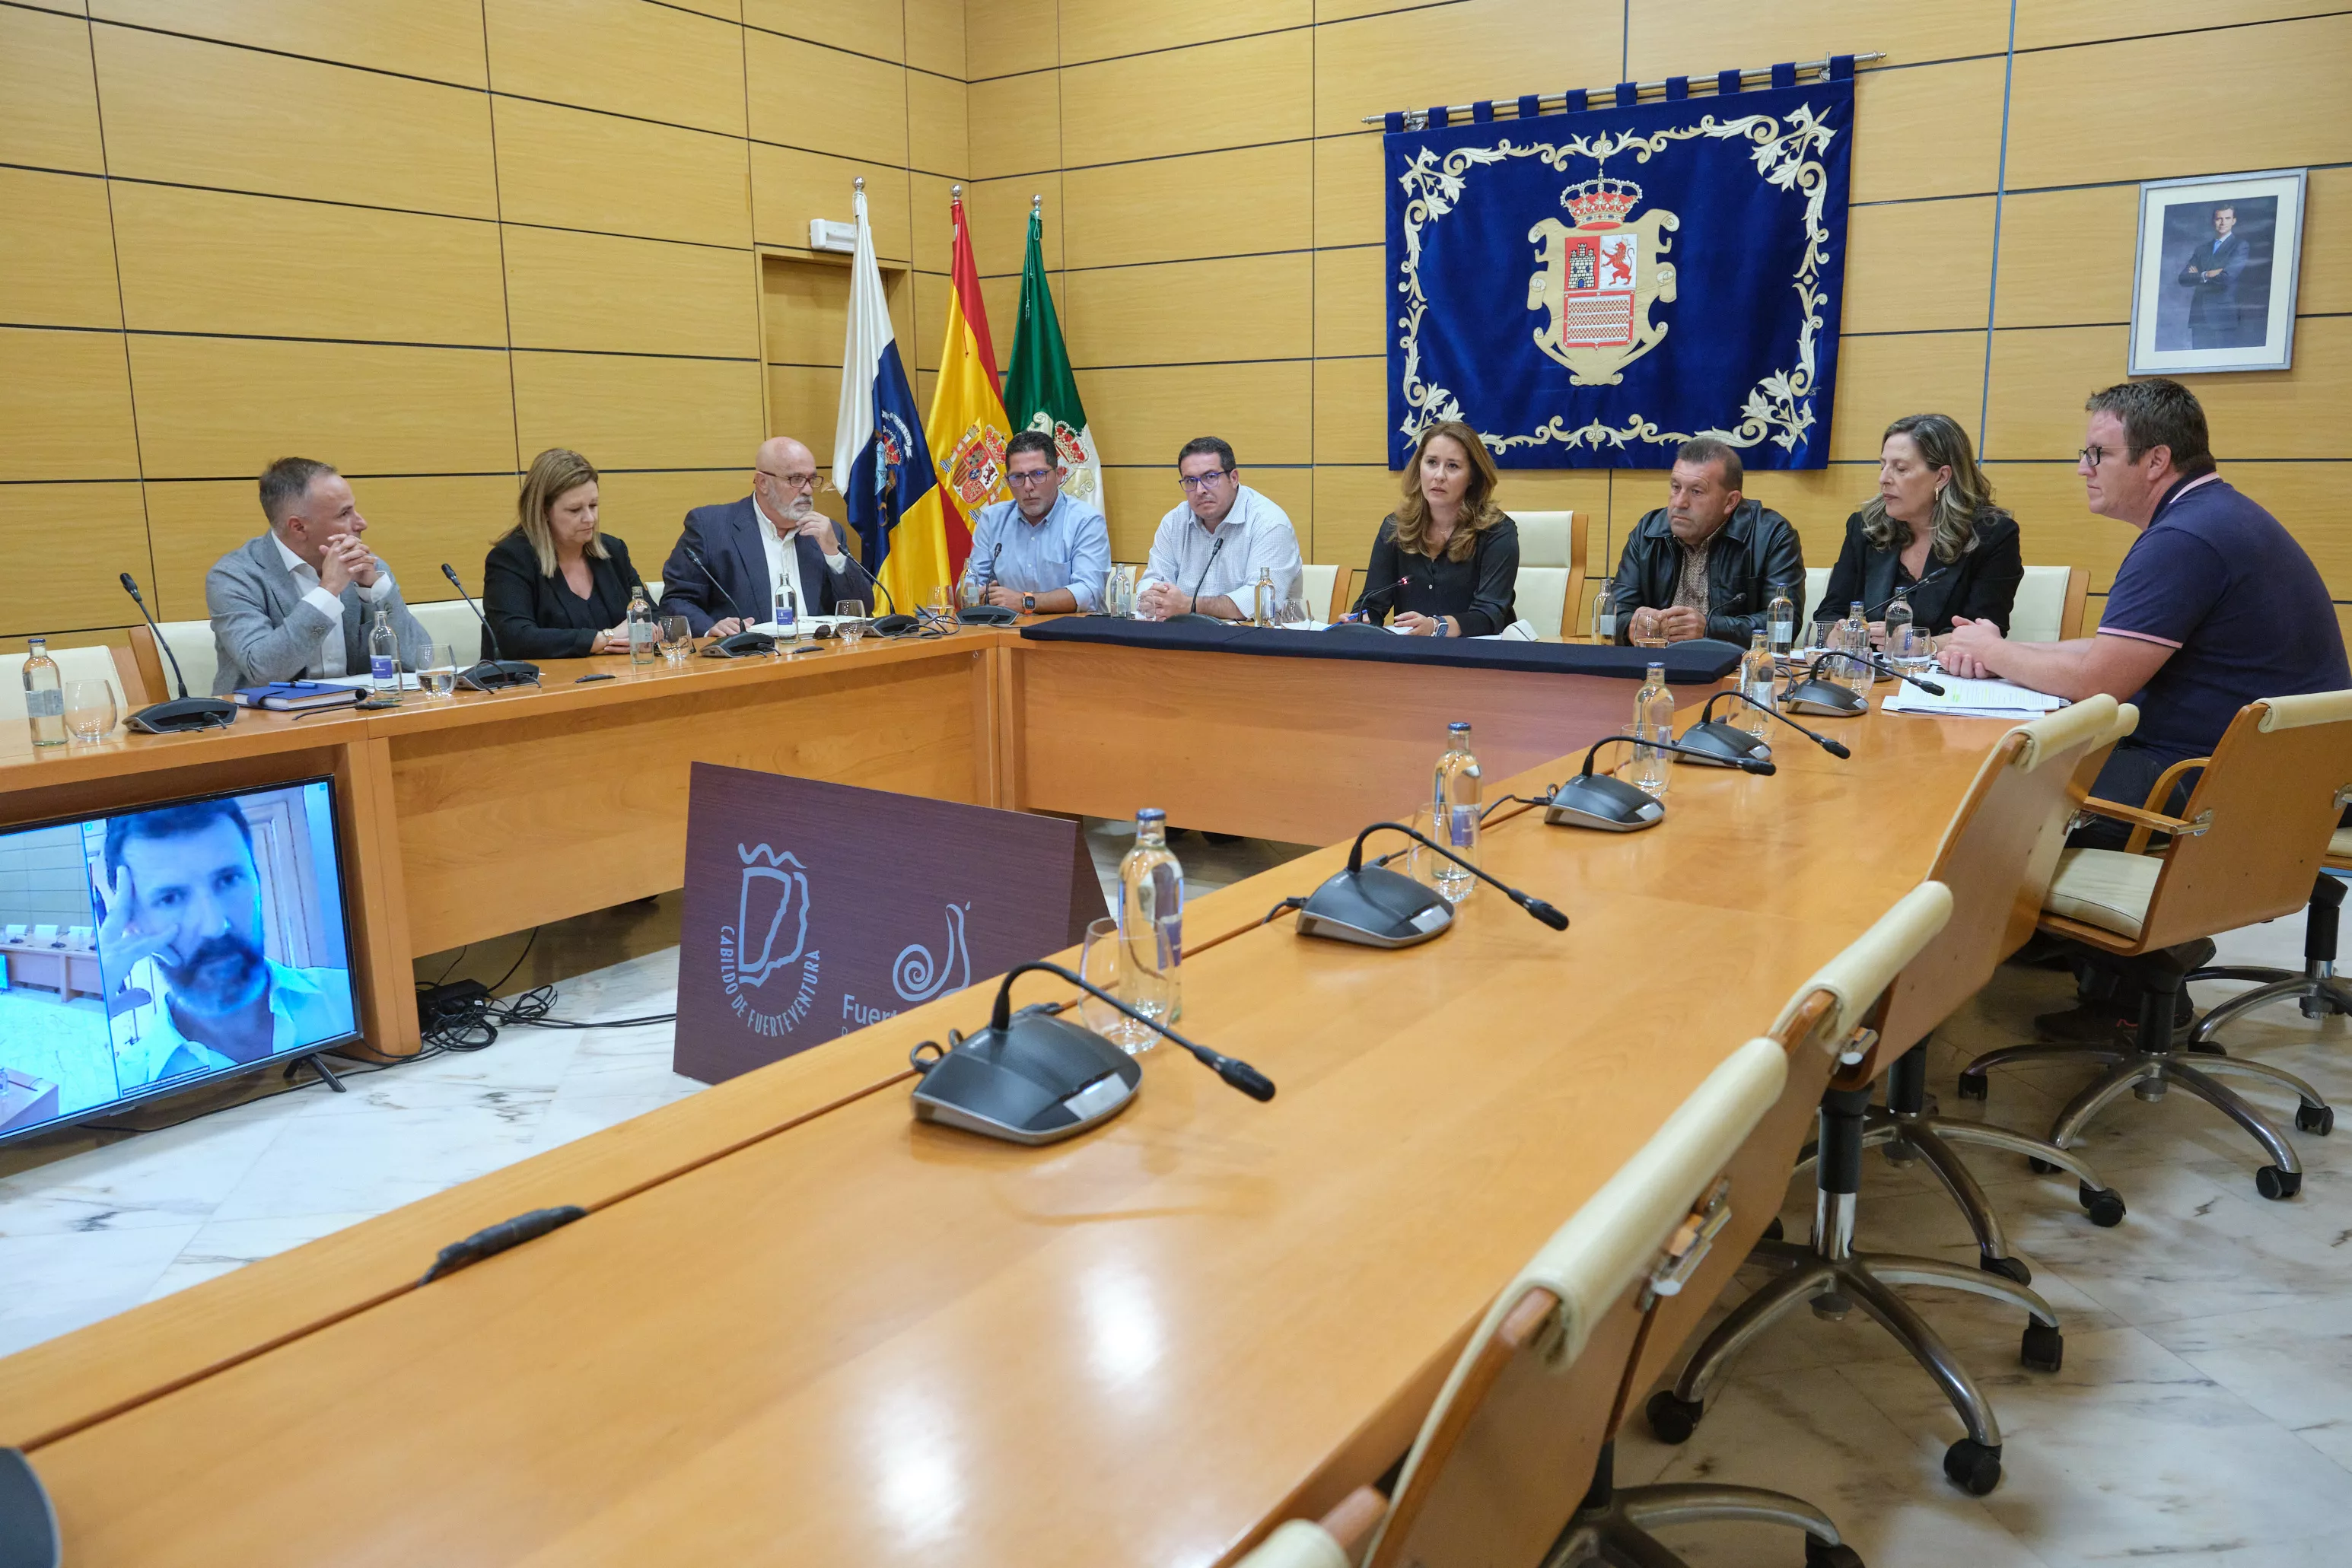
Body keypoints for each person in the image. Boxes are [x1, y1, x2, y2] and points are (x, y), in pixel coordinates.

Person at [1940, 377, 2347, 844]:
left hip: (2218, 780)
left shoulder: (2183, 539)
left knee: (1982, 812)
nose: (2082, 468)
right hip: (2283, 770)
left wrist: (1992, 653)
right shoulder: (2213, 516)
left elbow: (2099, 683)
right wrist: (1998, 648)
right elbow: (2119, 651)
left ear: (2156, 461)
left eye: (2098, 454)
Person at [94, 798, 355, 1089]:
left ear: (256, 878)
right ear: (131, 921)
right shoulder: (123, 1086)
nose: (215, 926)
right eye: (171, 898)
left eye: (229, 880)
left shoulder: (351, 1001)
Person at [205, 456, 432, 695]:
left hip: (357, 714)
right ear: (299, 527)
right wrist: (328, 592)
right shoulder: (234, 576)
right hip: (266, 722)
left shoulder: (364, 565)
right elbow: (263, 670)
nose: (362, 523)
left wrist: (376, 590)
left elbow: (420, 661)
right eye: (344, 513)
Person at [1814, 413, 2023, 642]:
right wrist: (1837, 633)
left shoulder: (1992, 536)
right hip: (1865, 672)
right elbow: (1831, 612)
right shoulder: (1866, 527)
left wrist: (1917, 645)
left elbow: (1986, 633)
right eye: (1882, 466)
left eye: (1900, 469)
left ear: (1941, 477)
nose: (1883, 478)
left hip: (1942, 674)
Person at [1605, 437, 1804, 645]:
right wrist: (1632, 625)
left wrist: (1710, 629)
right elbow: (1612, 614)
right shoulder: (1648, 532)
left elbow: (1784, 624)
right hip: (1655, 664)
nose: (1680, 502)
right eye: (1675, 487)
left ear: (1730, 502)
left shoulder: (1771, 535)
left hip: (1734, 669)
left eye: (1696, 491)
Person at [658, 437, 859, 636]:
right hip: (747, 656)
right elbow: (676, 600)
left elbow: (860, 609)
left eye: (811, 479)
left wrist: (834, 553)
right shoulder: (711, 528)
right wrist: (710, 628)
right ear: (763, 482)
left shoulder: (826, 532)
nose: (807, 490)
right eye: (796, 479)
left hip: (820, 655)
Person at [1346, 419, 1519, 636]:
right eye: (1431, 463)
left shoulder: (1497, 532)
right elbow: (1373, 603)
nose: (1439, 476)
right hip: (1414, 657)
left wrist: (1436, 626)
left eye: (1453, 466)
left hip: (1480, 657)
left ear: (1472, 477)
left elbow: (1489, 615)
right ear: (1419, 468)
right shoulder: (1395, 527)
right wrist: (1360, 619)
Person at [481, 448, 651, 660]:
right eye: (575, 510)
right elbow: (515, 638)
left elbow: (652, 612)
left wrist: (651, 628)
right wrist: (603, 639)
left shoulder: (613, 551)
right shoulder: (511, 559)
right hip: (545, 686)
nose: (590, 518)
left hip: (617, 681)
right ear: (543, 511)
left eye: (593, 505)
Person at [1136, 437, 1303, 621]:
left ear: (1233, 478)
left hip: (1263, 643)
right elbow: (1152, 580)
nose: (1200, 490)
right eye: (1190, 481)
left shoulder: (1269, 523)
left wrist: (1189, 605)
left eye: (1210, 477)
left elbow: (1261, 602)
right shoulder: (1174, 522)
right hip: (1185, 640)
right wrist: (1152, 597)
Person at [963, 430, 1111, 614]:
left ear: (1059, 475)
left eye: (1038, 474)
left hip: (1071, 635)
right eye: (1017, 477)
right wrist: (974, 594)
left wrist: (1026, 602)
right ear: (1008, 482)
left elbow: (1088, 592)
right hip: (1007, 634)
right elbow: (972, 581)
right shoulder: (992, 520)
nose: (1028, 487)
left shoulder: (1085, 521)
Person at [2177, 204, 2251, 350]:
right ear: (2213, 221)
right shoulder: (2202, 249)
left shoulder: (2240, 246)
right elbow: (2183, 278)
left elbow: (2226, 278)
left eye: (2227, 218)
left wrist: (2198, 275)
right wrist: (2207, 274)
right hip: (2199, 318)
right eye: (2219, 219)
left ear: (2234, 221)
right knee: (2198, 366)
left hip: (2223, 319)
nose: (2223, 222)